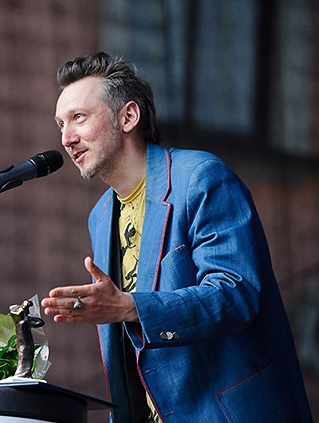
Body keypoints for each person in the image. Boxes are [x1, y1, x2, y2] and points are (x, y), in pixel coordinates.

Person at [41, 52, 312, 422]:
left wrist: (130, 307)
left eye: (79, 118)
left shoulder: (200, 177)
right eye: (61, 124)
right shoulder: (101, 216)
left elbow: (235, 294)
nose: (66, 138)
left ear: (128, 117)